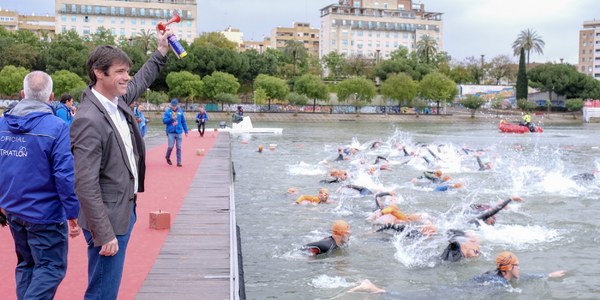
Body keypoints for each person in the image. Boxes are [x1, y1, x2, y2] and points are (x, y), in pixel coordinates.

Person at [70, 28, 170, 299]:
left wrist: (160, 52)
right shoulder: (88, 119)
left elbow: (140, 81)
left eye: (127, 71)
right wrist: (104, 233)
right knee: (103, 291)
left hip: (124, 210)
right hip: (108, 220)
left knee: (107, 287)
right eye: (119, 72)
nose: (127, 77)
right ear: (98, 73)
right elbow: (85, 183)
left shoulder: (116, 101)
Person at [0, 71, 81, 299]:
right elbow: (64, 175)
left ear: (23, 94)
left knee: (27, 264)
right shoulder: (56, 127)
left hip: (14, 209)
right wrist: (73, 212)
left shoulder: (3, 124)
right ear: (51, 96)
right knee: (50, 267)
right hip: (44, 213)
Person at [471, 251, 566, 287]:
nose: (519, 268)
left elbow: (526, 277)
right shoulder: (500, 284)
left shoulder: (496, 272)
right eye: (517, 265)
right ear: (509, 268)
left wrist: (549, 275)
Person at [163, 99, 189, 167]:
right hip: (171, 132)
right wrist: (171, 119)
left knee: (179, 147)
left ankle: (179, 162)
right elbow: (164, 121)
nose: (173, 107)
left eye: (175, 106)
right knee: (170, 146)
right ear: (171, 105)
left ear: (177, 105)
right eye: (172, 105)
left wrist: (186, 131)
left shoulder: (180, 111)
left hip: (179, 131)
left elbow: (183, 121)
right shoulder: (167, 112)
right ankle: (167, 157)